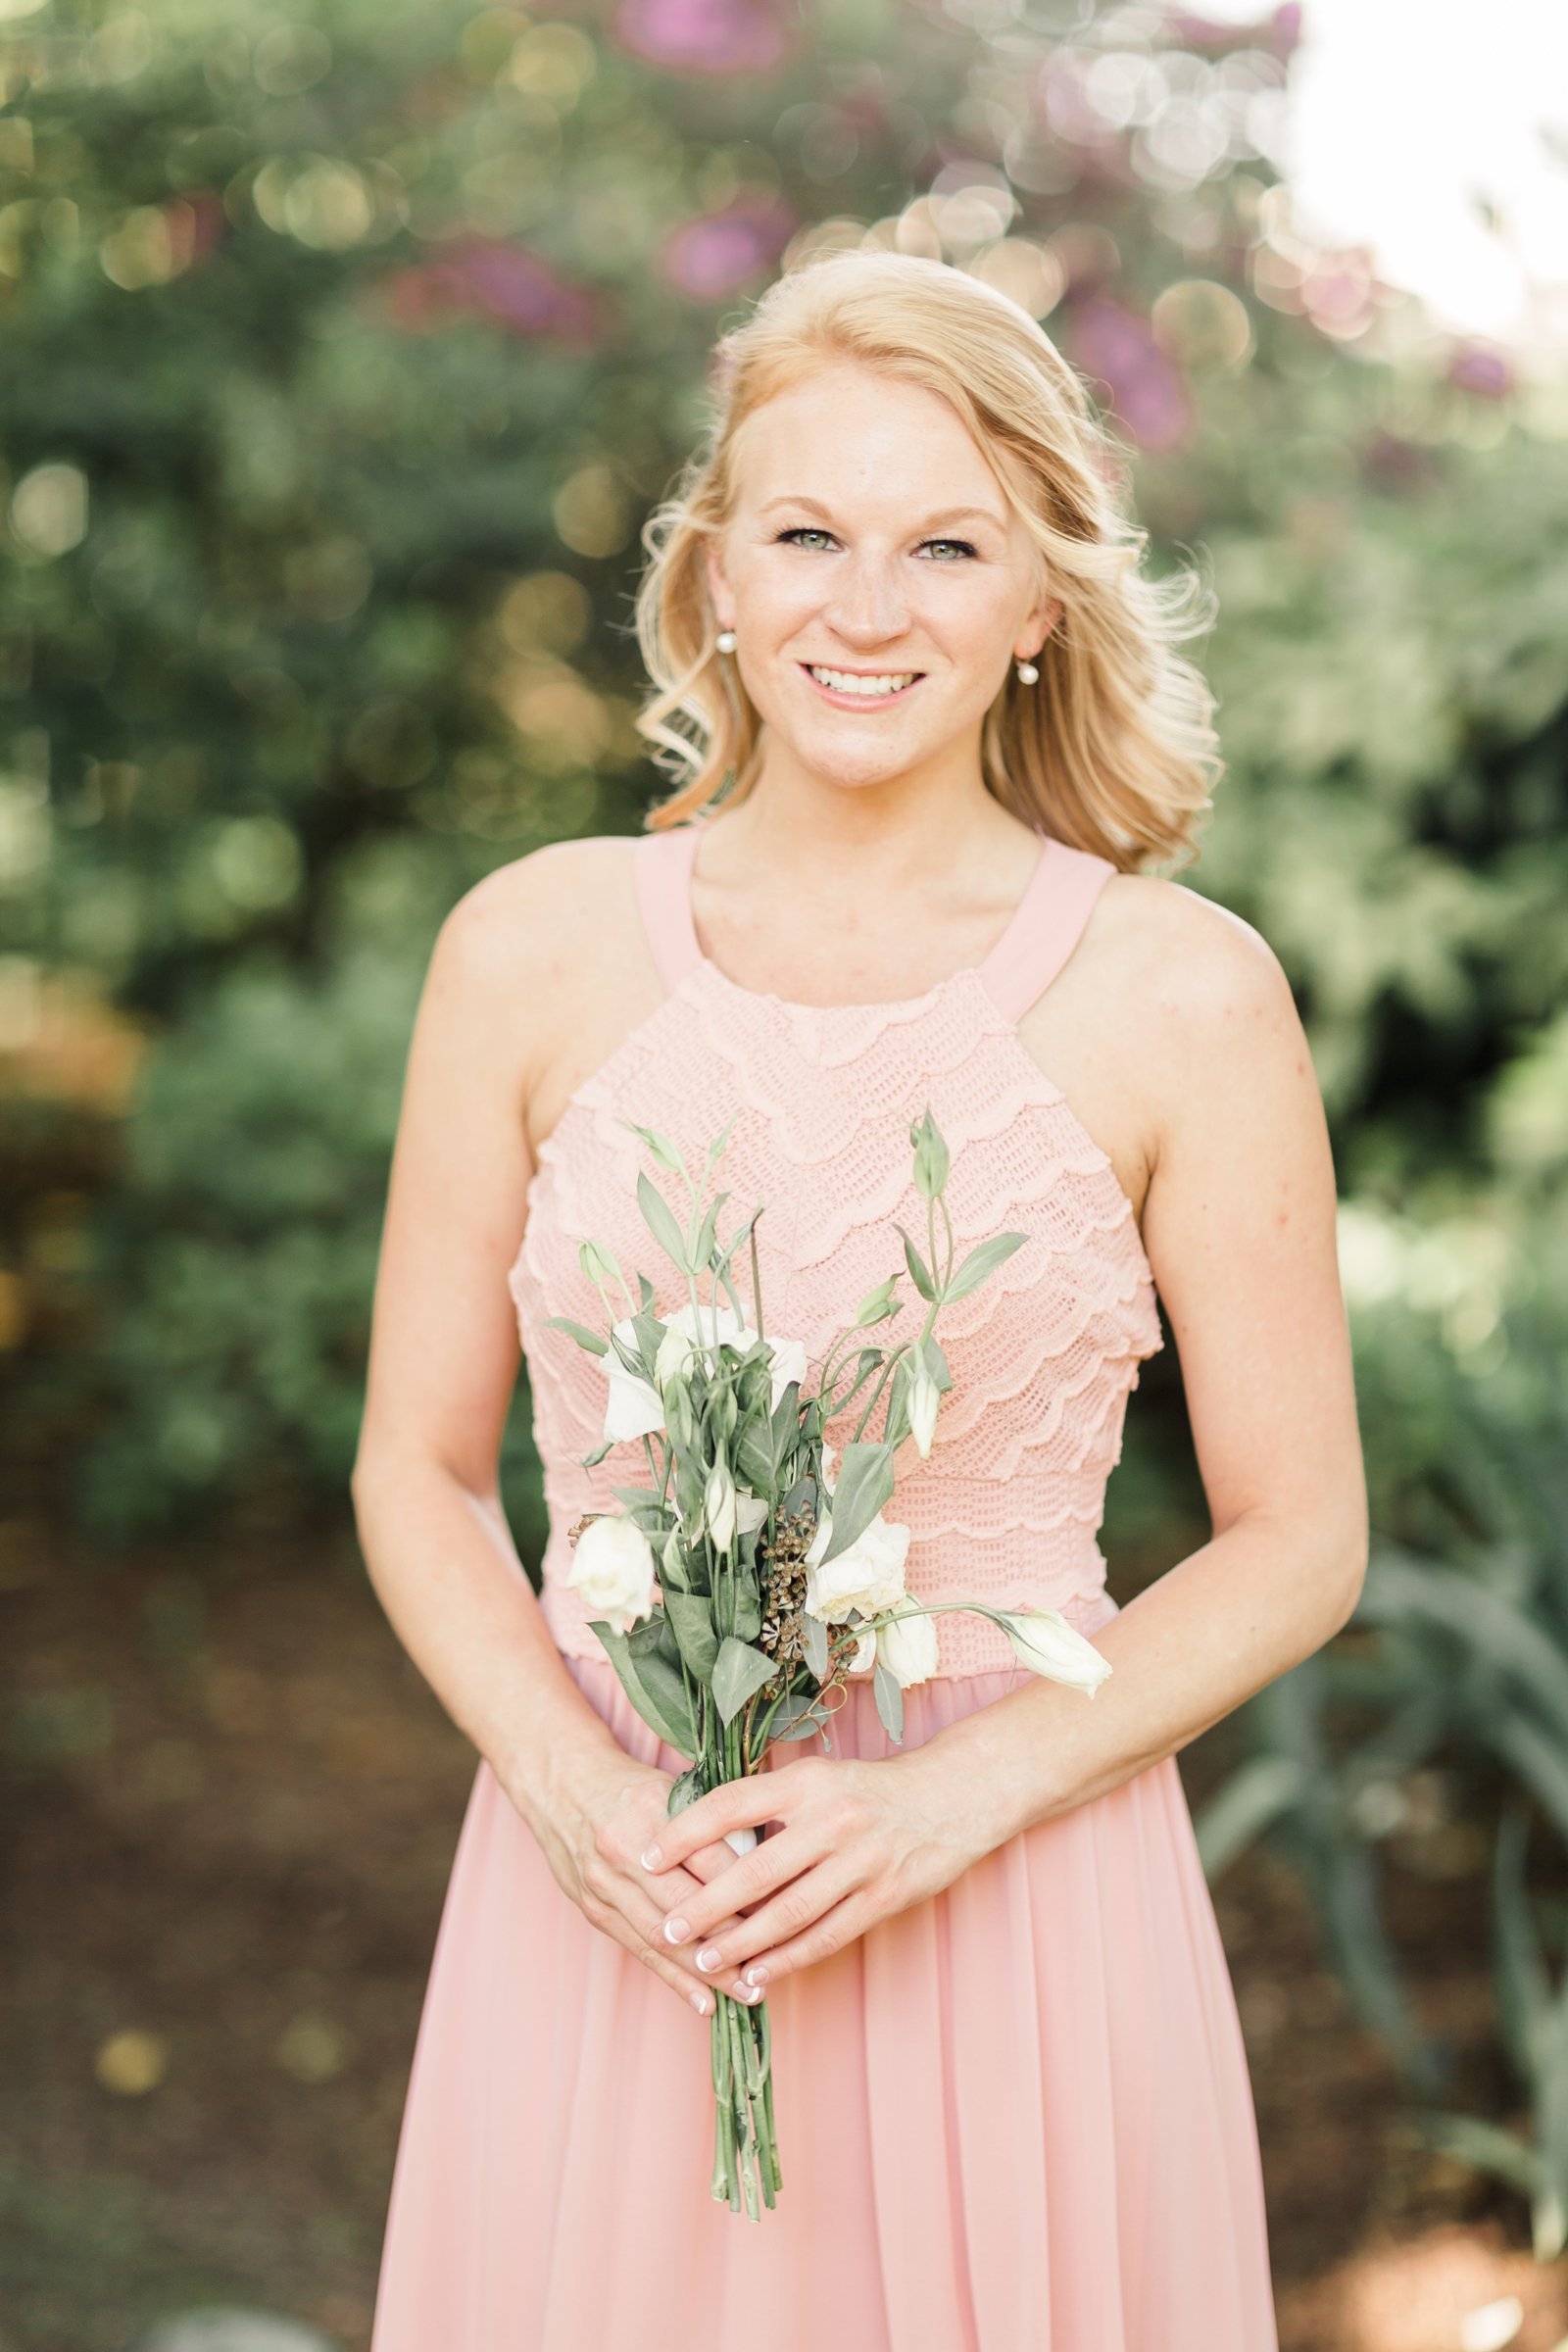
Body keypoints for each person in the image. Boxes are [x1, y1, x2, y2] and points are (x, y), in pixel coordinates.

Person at [354, 249, 1365, 2350]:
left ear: (1032, 604)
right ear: (714, 574)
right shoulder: (524, 955)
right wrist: (577, 1796)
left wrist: (944, 1807)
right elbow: (421, 1468)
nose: (864, 603)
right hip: (618, 1906)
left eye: (944, 544)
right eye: (805, 531)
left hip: (1014, 1900)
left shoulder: (1184, 999)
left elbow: (1298, 1542)